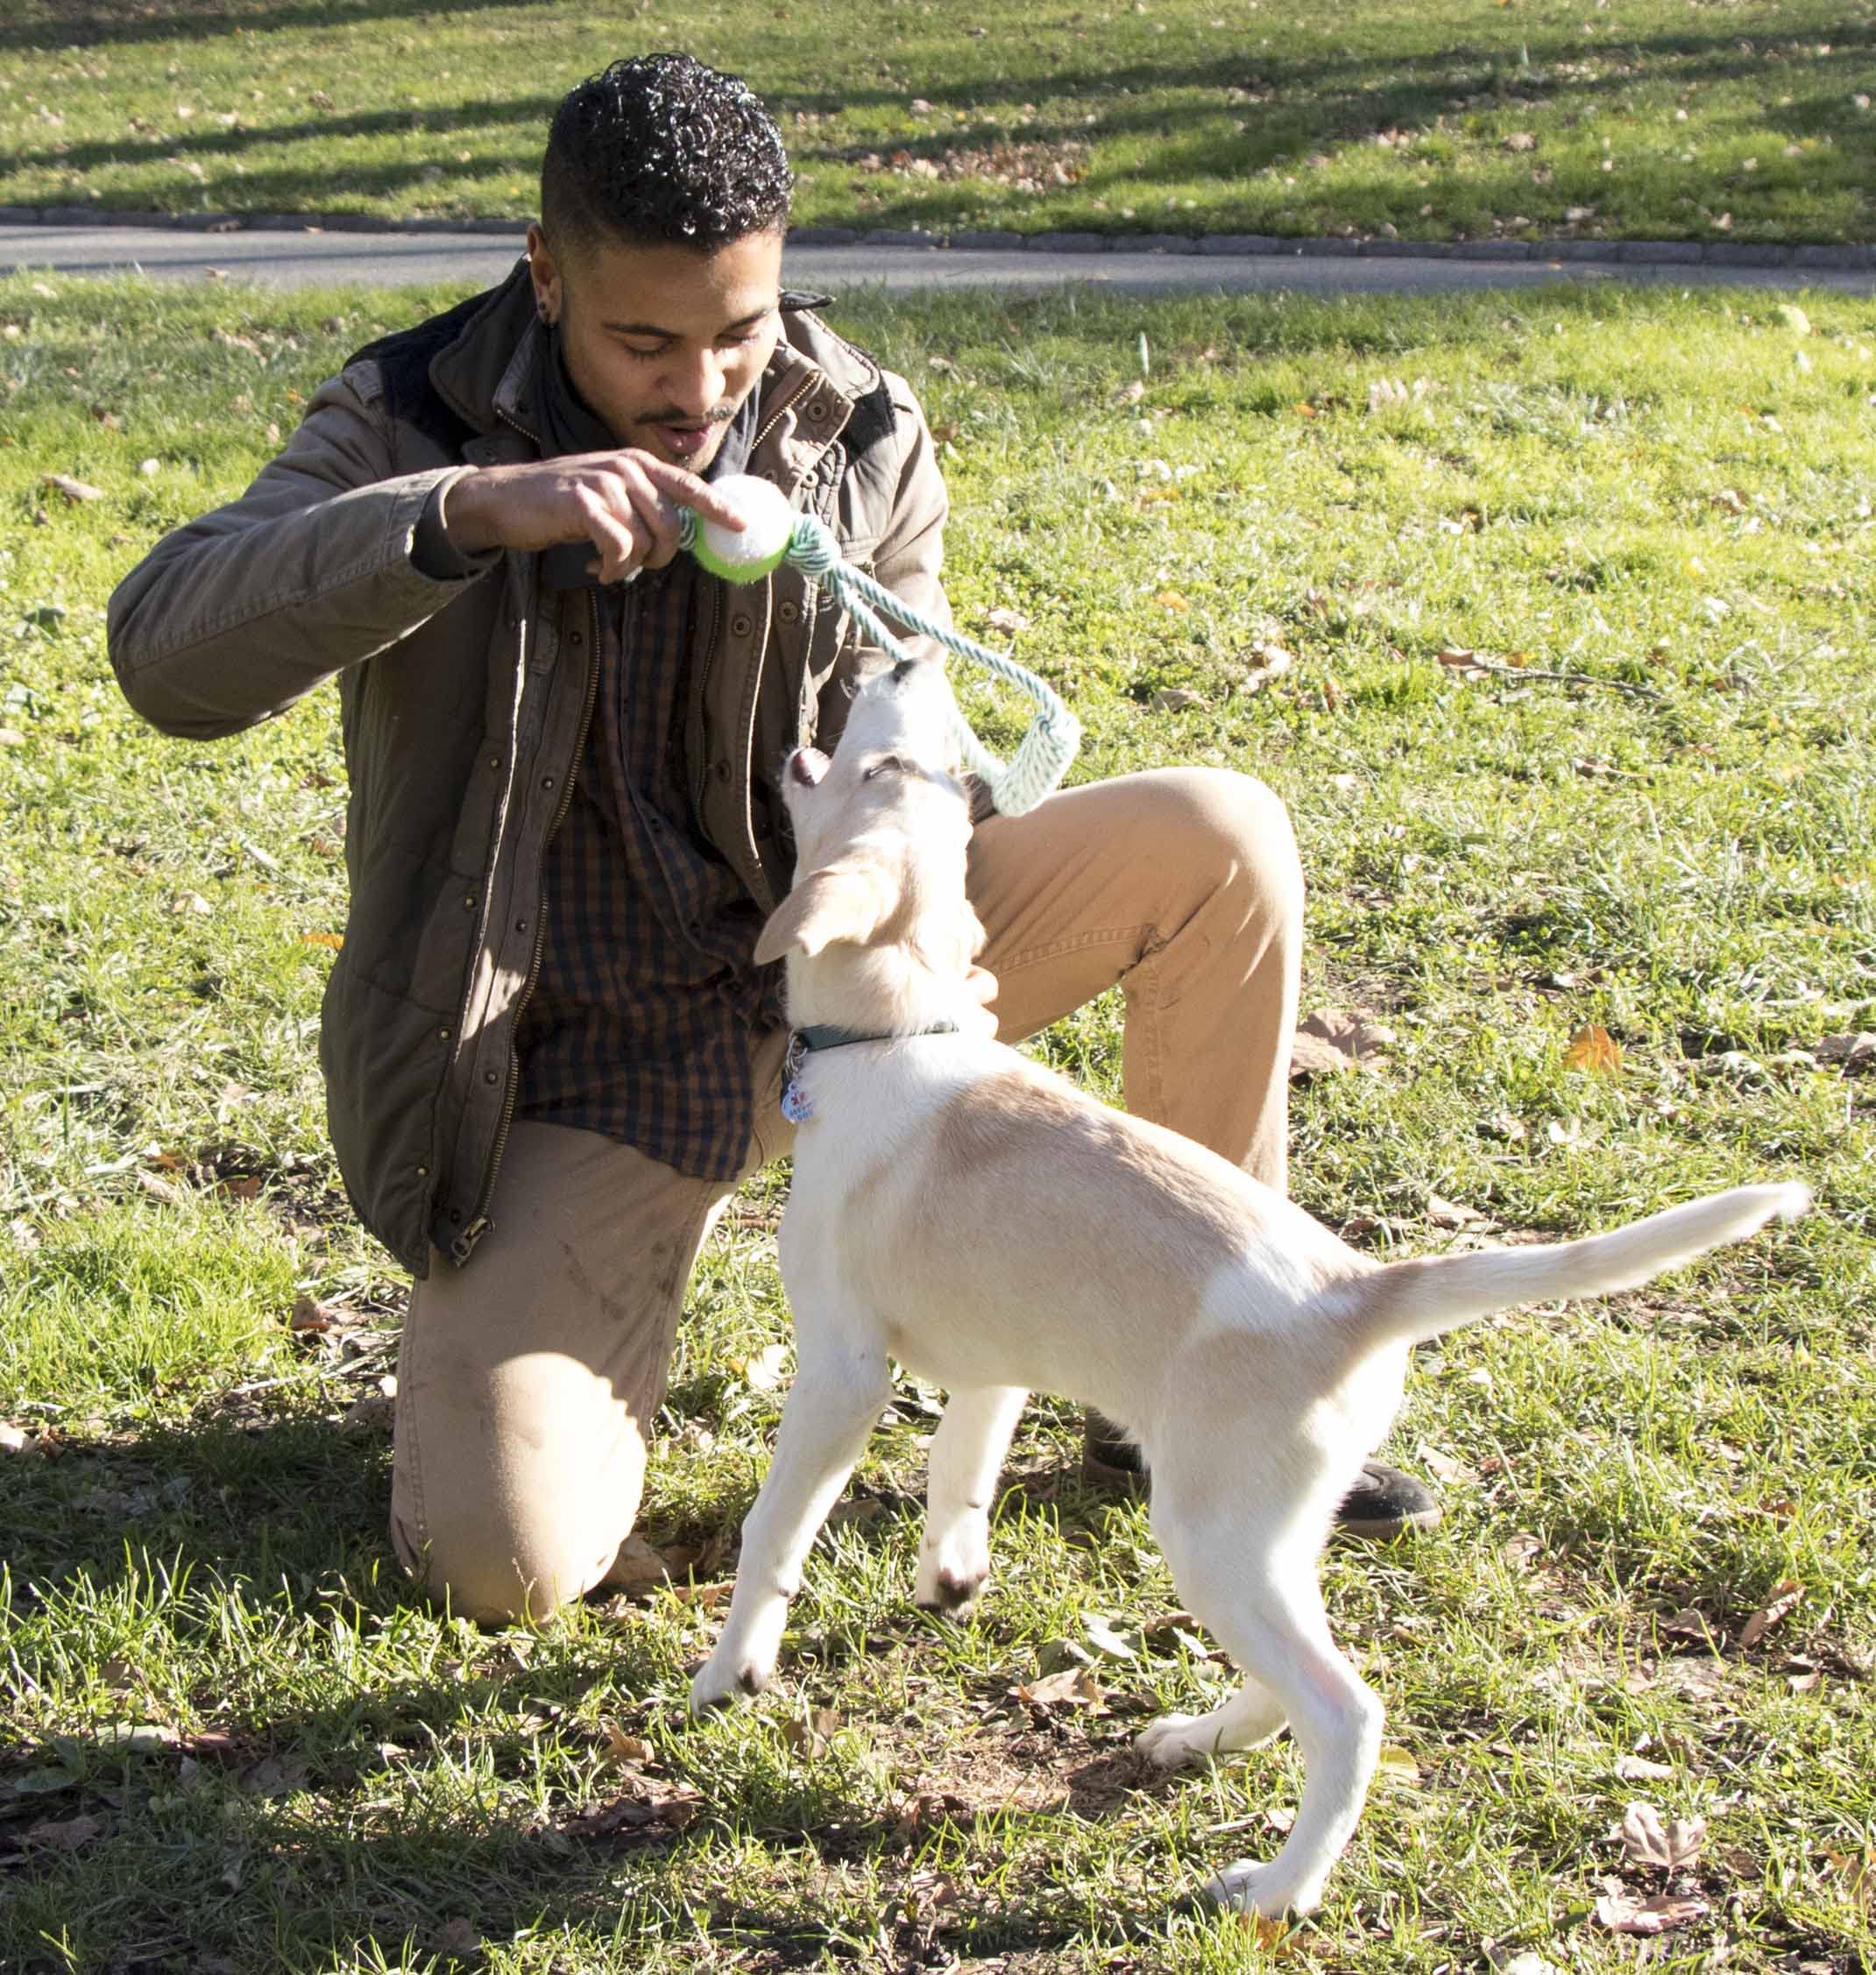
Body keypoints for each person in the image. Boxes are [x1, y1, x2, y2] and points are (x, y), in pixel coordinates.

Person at [107, 53, 1437, 1624]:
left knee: (1216, 836)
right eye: (644, 342)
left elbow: (920, 731)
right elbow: (164, 655)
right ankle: (572, 1316)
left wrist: (931, 905)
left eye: (737, 331)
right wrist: (461, 514)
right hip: (574, 1068)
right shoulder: (409, 417)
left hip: (847, 983)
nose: (700, 387)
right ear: (546, 274)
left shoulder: (854, 425)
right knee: (496, 1560)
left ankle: (1202, 1368)